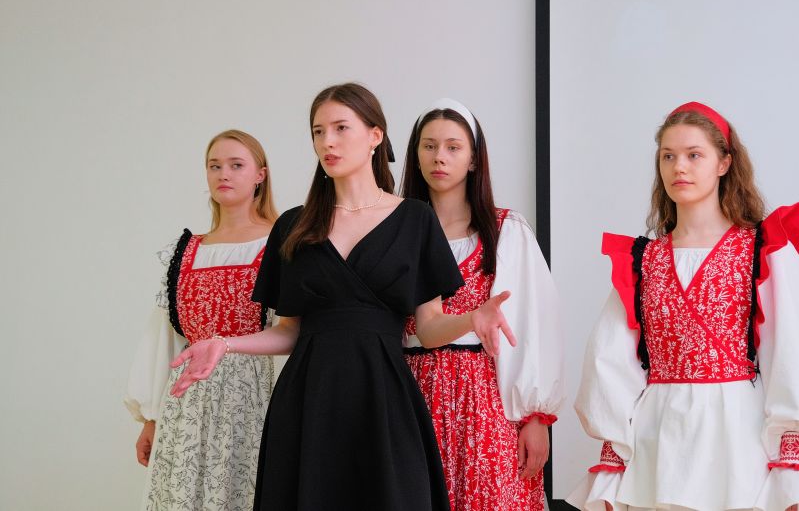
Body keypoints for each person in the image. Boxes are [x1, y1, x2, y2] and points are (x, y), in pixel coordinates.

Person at [168, 83, 517, 510]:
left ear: (375, 136)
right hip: (308, 400)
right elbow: (289, 331)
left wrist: (471, 319)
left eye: (340, 128)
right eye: (318, 132)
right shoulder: (294, 225)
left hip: (384, 398)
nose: (327, 142)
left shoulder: (415, 218)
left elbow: (428, 330)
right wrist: (225, 344)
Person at [566, 102, 799, 511]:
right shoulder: (644, 259)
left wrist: (788, 458)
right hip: (660, 437)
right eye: (668, 157)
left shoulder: (761, 250)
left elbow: (787, 348)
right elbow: (610, 359)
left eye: (694, 155)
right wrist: (614, 449)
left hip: (737, 437)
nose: (679, 168)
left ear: (724, 163)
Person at [399, 98, 564, 510]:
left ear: (474, 159)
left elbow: (534, 325)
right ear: (416, 155)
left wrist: (536, 417)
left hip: (485, 396)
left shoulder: (505, 229)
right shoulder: (397, 231)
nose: (439, 157)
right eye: (429, 146)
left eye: (453, 147)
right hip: (411, 392)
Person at [124, 129, 278, 511]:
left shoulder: (280, 244)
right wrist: (151, 418)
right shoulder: (187, 250)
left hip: (250, 400)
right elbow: (165, 337)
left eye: (236, 165)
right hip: (185, 404)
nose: (223, 174)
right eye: (215, 166)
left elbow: (290, 331)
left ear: (260, 174)